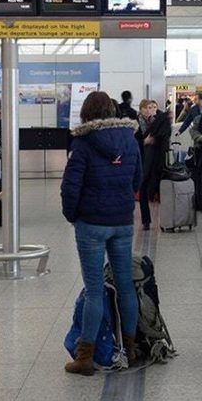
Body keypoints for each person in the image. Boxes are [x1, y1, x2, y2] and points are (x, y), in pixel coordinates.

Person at [60, 91, 141, 376]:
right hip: (122, 221)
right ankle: (129, 350)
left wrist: (73, 215)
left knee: (94, 291)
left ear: (85, 113)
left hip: (91, 224)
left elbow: (71, 186)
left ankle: (85, 358)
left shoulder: (82, 144)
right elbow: (137, 179)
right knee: (125, 286)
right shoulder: (130, 140)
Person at [137, 100, 171, 231]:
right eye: (147, 107)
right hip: (141, 158)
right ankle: (146, 220)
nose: (150, 110)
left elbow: (164, 137)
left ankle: (166, 219)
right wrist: (144, 141)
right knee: (143, 186)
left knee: (157, 185)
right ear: (141, 109)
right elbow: (132, 141)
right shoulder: (136, 122)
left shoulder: (159, 121)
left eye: (153, 107)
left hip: (156, 159)